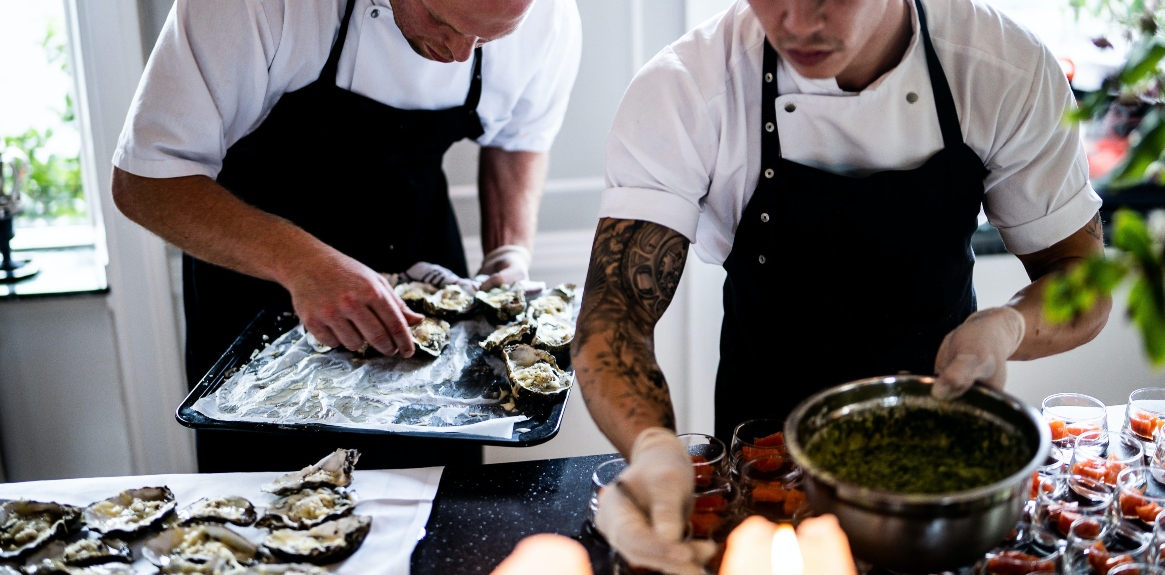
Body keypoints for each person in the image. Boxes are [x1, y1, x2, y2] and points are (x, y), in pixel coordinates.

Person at [573, 0, 1111, 572]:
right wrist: (654, 451)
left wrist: (1006, 327)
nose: (799, 21)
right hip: (764, 465)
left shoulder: (1003, 67)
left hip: (938, 468)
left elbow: (1081, 278)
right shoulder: (688, 87)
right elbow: (616, 314)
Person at [111, 0, 581, 471]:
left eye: (488, 40)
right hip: (259, 276)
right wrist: (301, 264)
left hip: (421, 259)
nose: (460, 54)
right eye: (442, 23)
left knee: (434, 490)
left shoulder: (549, 20)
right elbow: (145, 182)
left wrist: (509, 250)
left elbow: (517, 140)